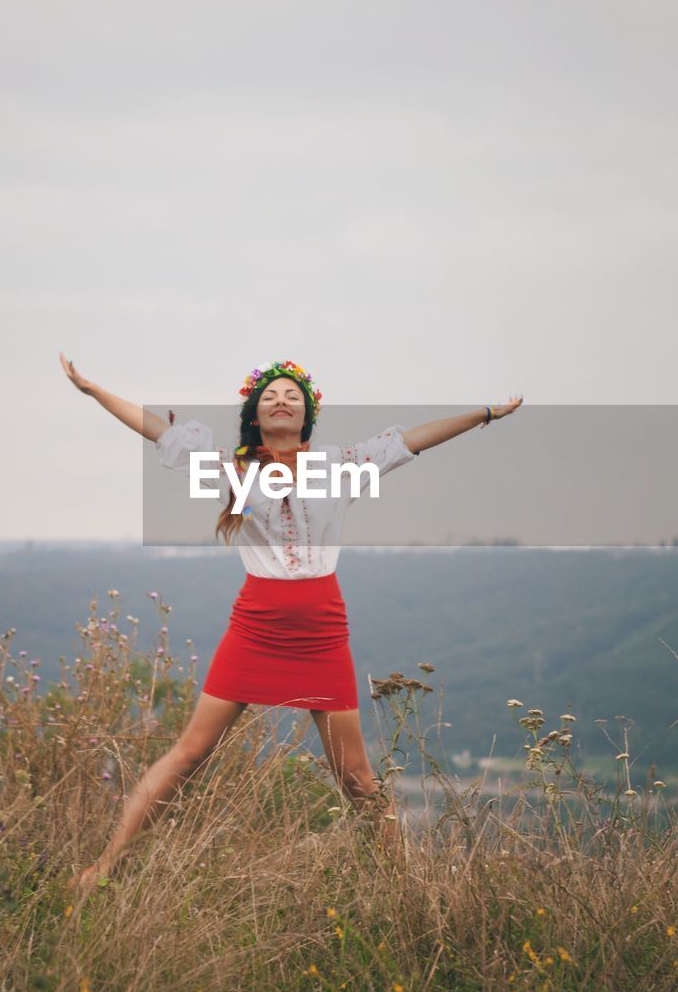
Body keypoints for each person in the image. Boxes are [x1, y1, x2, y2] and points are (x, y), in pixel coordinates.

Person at [61, 352, 522, 893]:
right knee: (189, 753)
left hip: (323, 634)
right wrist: (94, 390)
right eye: (271, 396)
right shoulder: (231, 469)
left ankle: (401, 888)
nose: (282, 402)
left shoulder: (341, 465)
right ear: (255, 413)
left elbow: (414, 440)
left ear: (307, 415)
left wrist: (485, 414)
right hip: (254, 628)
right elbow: (154, 431)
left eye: (293, 397)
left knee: (356, 779)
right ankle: (104, 867)